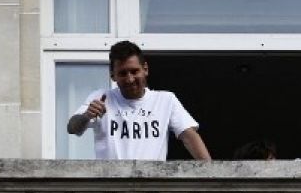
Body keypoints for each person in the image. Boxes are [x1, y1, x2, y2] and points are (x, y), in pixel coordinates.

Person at [67, 40, 211, 161]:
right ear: (112, 75)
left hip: (151, 188)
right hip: (110, 187)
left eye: (134, 71)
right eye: (123, 73)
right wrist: (87, 115)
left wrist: (212, 176)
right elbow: (72, 128)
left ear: (145, 69)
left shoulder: (166, 100)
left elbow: (189, 137)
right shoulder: (100, 97)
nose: (130, 79)